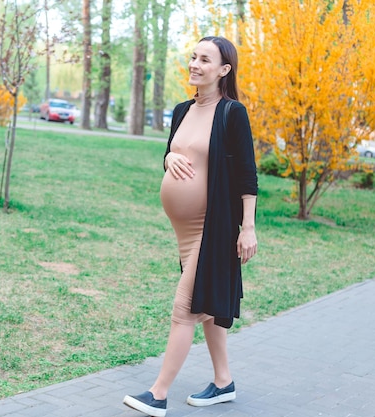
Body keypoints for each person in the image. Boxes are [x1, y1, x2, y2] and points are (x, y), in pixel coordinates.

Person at [122, 36, 258, 417]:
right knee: (209, 307)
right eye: (193, 57)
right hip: (183, 233)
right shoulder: (182, 110)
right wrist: (168, 159)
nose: (195, 64)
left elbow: (247, 177)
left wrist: (247, 228)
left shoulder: (232, 113)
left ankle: (159, 393)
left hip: (211, 228)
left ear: (223, 70)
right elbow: (172, 152)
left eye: (205, 60)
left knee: (185, 308)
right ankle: (223, 382)